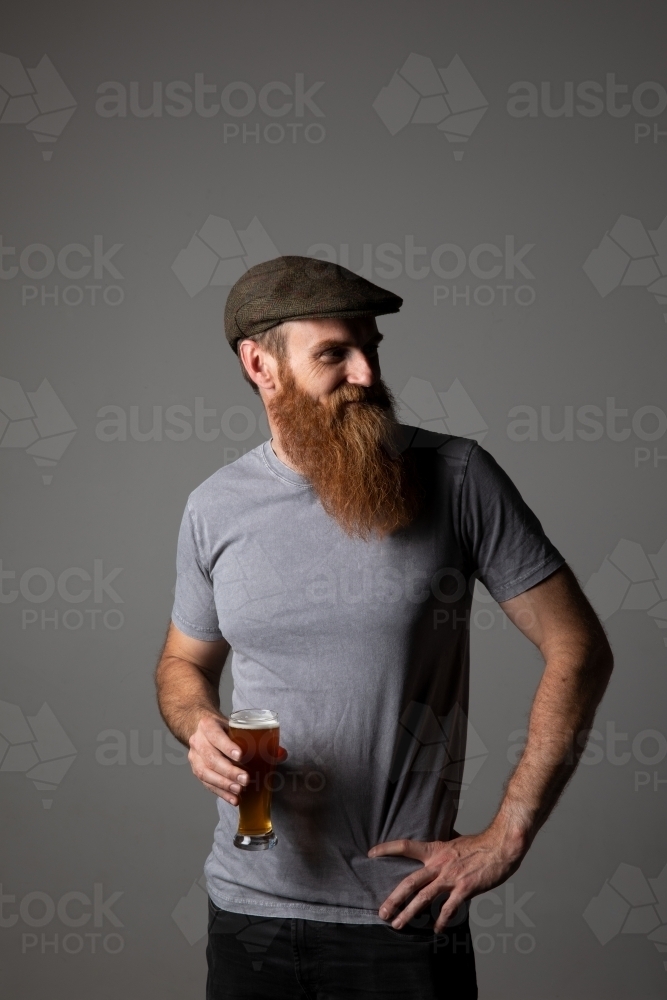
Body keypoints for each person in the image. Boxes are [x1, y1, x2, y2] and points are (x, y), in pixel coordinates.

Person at [155, 256, 613, 1000]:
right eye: (334, 353)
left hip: (401, 921)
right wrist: (198, 722)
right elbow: (181, 664)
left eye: (370, 347)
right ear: (259, 366)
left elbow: (579, 646)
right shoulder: (214, 506)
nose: (366, 374)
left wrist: (507, 834)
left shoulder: (457, 477)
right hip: (247, 917)